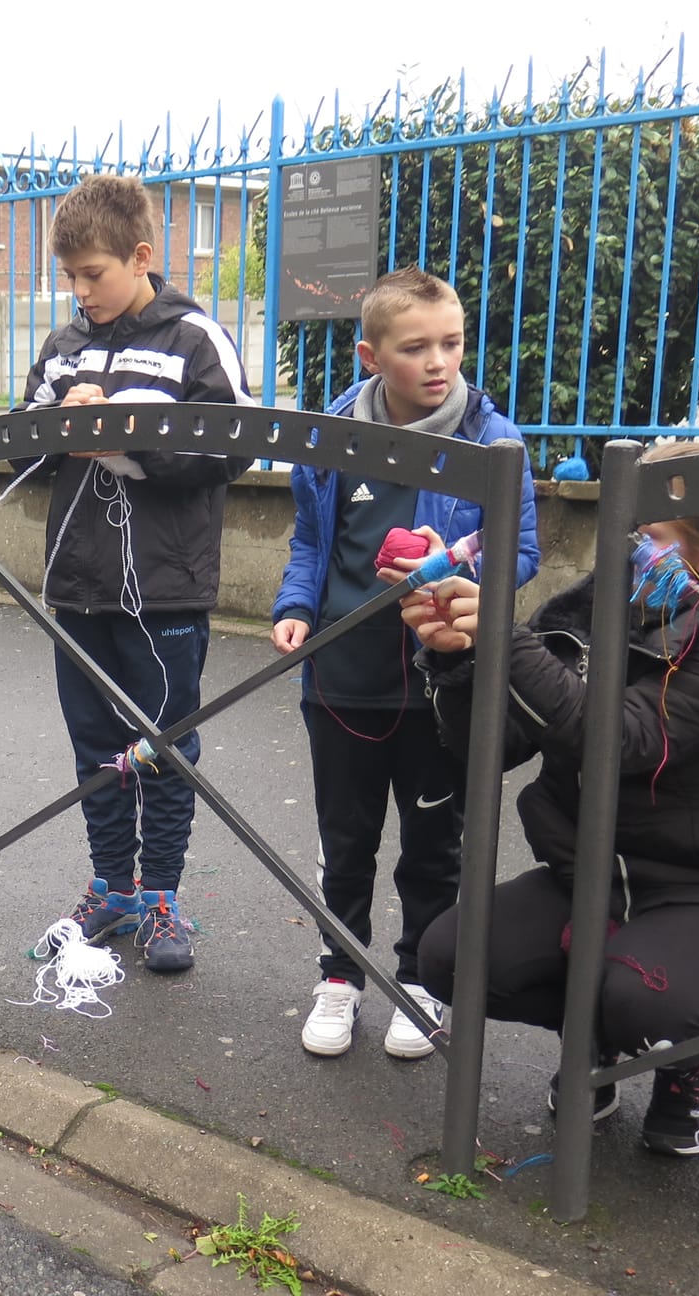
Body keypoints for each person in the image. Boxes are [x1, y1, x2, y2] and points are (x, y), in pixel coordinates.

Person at [406, 484, 699, 1156]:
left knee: (639, 994)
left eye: (654, 535)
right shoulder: (593, 604)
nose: (631, 550)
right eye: (627, 530)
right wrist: (456, 658)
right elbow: (491, 748)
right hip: (587, 874)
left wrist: (501, 629)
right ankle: (595, 1046)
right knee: (448, 958)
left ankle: (691, 1065)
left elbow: (620, 739)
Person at [272, 268, 541, 1058]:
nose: (439, 362)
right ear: (369, 355)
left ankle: (422, 979)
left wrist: (452, 566)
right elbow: (311, 542)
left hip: (440, 688)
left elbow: (517, 552)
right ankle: (339, 977)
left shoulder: (494, 443)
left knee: (433, 849)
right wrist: (293, 606)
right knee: (344, 842)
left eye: (451, 343)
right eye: (415, 347)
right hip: (340, 681)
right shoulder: (329, 439)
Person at [17, 173, 254, 974]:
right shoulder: (61, 347)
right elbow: (17, 450)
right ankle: (112, 887)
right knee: (94, 746)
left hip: (165, 586)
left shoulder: (193, 338)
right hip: (78, 580)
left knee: (164, 746)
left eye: (95, 275)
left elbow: (231, 448)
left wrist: (122, 429)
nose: (82, 293)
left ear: (142, 255)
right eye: (71, 278)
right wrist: (59, 419)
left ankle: (162, 897)